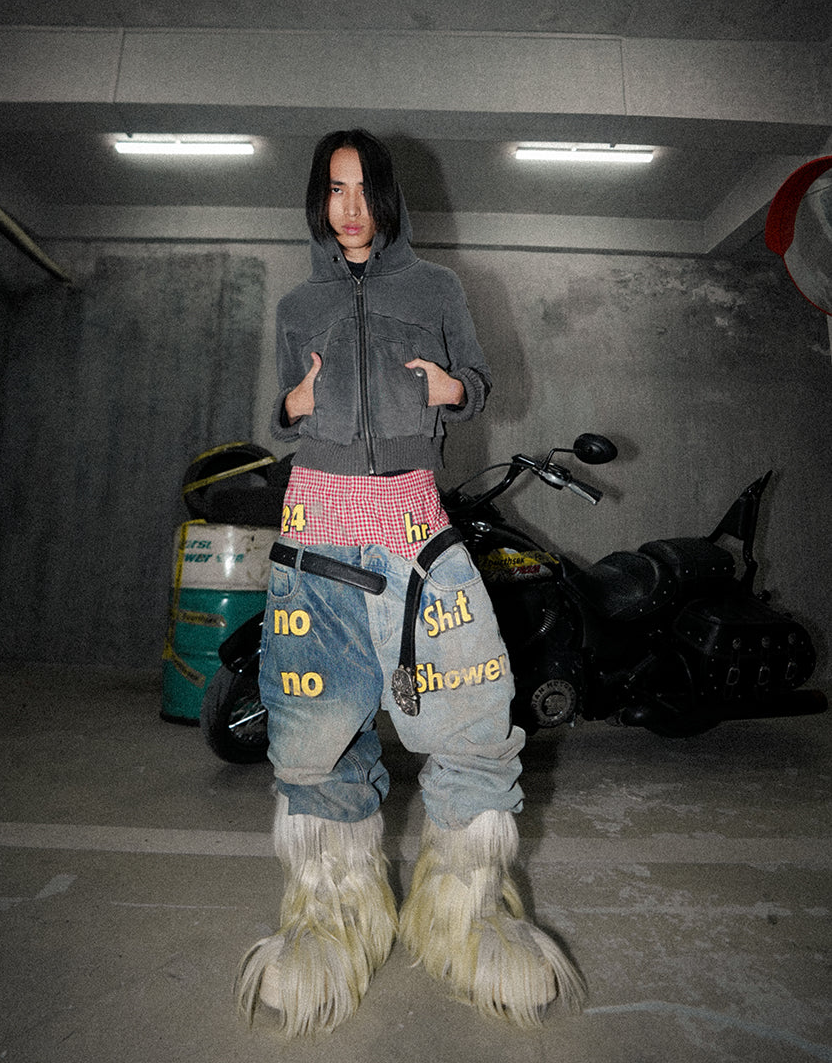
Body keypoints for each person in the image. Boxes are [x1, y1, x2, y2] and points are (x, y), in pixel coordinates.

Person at [236, 129, 582, 1035]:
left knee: (475, 721)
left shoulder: (437, 289)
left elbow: (483, 381)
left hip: (413, 531)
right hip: (314, 535)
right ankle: (327, 925)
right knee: (312, 741)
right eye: (334, 188)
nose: (349, 206)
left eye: (363, 188)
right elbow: (281, 405)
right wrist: (289, 407)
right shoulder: (299, 303)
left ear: (388, 198)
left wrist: (450, 390)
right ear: (318, 200)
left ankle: (473, 923)